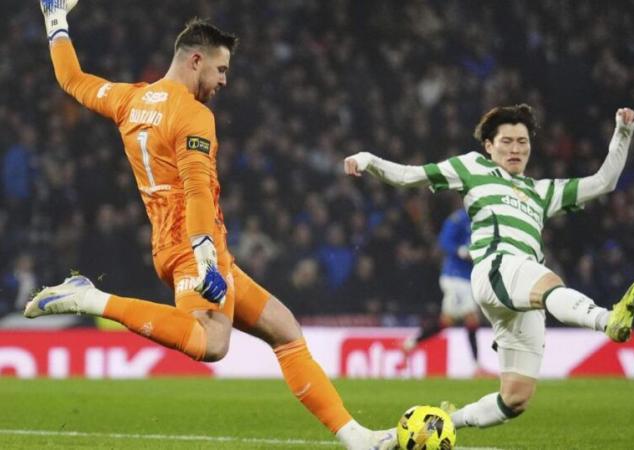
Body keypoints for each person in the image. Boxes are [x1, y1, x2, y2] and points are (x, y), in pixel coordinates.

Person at [26, 2, 392, 448]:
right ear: (194, 59)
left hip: (177, 242)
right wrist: (204, 257)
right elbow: (197, 187)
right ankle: (90, 297)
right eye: (220, 69)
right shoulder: (192, 114)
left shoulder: (131, 98)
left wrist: (55, 20)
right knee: (211, 342)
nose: (223, 81)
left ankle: (356, 437)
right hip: (193, 245)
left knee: (285, 328)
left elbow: (72, 80)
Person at [345, 104, 634, 436]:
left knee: (515, 399)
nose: (515, 149)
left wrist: (622, 132)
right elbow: (408, 176)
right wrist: (368, 160)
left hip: (522, 291)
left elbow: (604, 182)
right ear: (488, 146)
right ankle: (608, 319)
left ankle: (434, 425)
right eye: (506, 141)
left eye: (522, 142)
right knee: (550, 283)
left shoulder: (542, 192)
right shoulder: (472, 167)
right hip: (496, 268)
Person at [401, 208, 489, 376]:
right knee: (471, 318)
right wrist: (461, 251)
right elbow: (444, 241)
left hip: (466, 278)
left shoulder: (485, 220)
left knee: (445, 322)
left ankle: (409, 344)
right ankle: (477, 367)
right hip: (455, 276)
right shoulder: (459, 218)